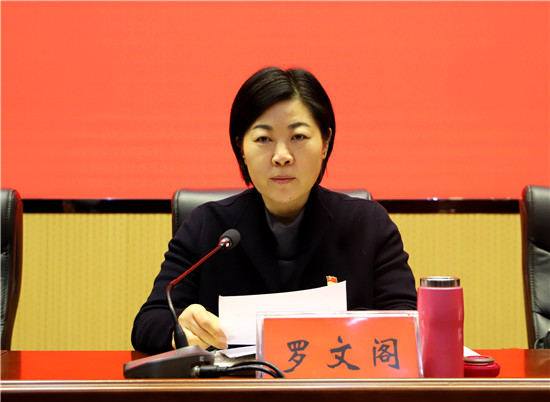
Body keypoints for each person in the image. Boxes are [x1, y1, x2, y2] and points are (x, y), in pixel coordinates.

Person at [131, 66, 417, 355]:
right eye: (263, 139)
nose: (282, 156)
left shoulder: (367, 224)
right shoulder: (208, 226)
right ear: (241, 148)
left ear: (325, 143)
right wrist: (180, 330)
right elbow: (149, 322)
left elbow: (409, 320)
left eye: (298, 137)